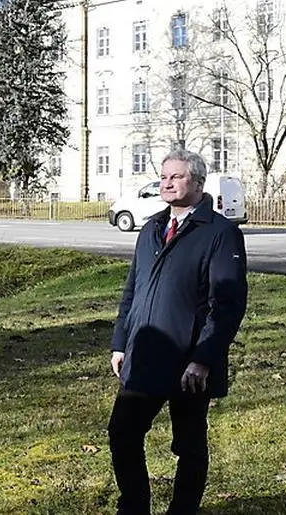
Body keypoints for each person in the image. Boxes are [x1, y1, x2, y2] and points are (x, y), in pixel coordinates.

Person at [107, 149, 249, 515]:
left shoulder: (221, 234)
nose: (166, 182)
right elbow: (132, 291)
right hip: (146, 355)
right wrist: (120, 343)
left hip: (189, 361)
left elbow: (227, 303)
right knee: (123, 432)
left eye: (176, 176)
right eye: (163, 176)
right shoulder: (151, 229)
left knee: (188, 443)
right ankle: (134, 507)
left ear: (198, 183)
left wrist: (203, 358)